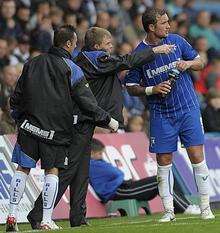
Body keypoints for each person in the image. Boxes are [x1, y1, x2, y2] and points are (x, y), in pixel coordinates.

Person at [27, 26, 175, 228]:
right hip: (79, 123)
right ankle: (37, 215)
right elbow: (126, 62)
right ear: (96, 46)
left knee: (81, 172)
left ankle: (77, 217)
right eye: (107, 43)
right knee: (68, 171)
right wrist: (153, 51)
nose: (111, 46)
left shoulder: (87, 60)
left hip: (85, 122)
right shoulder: (94, 59)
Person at [6, 25, 117, 232]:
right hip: (55, 132)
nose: (76, 46)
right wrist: (108, 120)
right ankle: (47, 220)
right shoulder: (72, 68)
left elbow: (16, 97)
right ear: (68, 43)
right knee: (52, 171)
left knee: (22, 170)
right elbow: (87, 102)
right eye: (75, 43)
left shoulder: (32, 63)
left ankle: (11, 216)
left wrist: (20, 118)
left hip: (29, 128)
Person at [125, 7, 215, 222]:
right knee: (164, 160)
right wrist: (151, 90)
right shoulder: (140, 54)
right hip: (161, 113)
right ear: (151, 27)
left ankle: (205, 207)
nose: (168, 25)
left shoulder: (177, 41)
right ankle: (168, 211)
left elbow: (200, 62)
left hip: (188, 108)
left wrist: (188, 64)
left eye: (168, 21)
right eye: (164, 23)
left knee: (196, 155)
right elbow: (130, 85)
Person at [89, 138, 200, 215]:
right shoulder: (93, 164)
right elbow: (119, 174)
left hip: (119, 188)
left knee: (165, 178)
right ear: (91, 153)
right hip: (116, 191)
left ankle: (183, 206)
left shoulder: (95, 163)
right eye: (99, 154)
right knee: (160, 180)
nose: (101, 156)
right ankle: (185, 208)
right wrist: (120, 180)